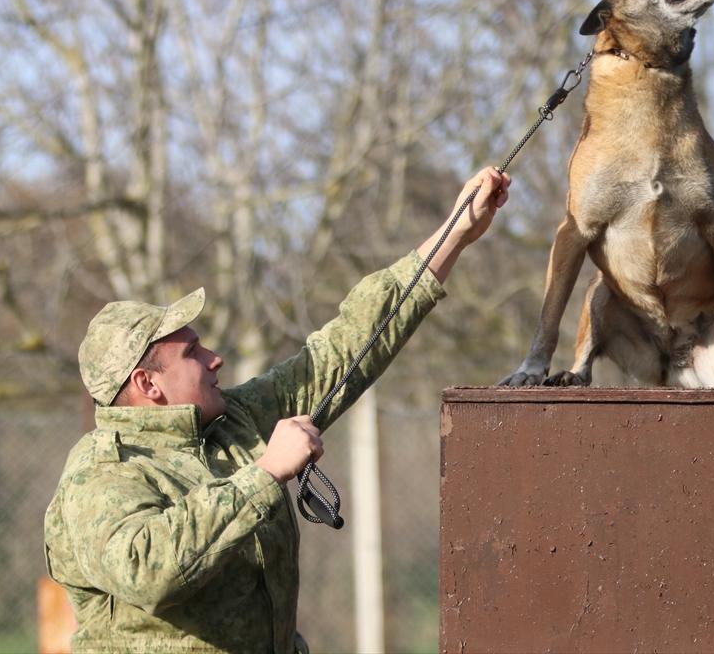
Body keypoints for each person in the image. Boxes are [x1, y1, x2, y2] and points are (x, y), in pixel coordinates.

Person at [44, 167, 511, 654]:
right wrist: (265, 474)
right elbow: (145, 569)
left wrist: (455, 233)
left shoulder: (233, 422)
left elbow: (341, 352)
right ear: (147, 384)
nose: (214, 359)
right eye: (193, 353)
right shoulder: (102, 472)